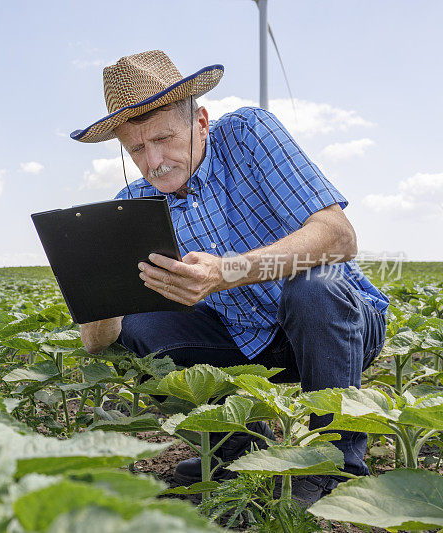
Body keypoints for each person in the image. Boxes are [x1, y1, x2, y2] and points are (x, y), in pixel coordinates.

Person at [70, 50, 388, 506]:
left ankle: (331, 466)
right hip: (246, 342)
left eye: (164, 138)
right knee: (138, 331)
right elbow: (97, 343)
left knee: (313, 287)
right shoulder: (134, 205)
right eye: (137, 148)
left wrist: (227, 271)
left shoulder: (247, 135)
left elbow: (338, 238)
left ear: (200, 121)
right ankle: (236, 442)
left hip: (337, 329)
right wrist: (96, 284)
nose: (154, 161)